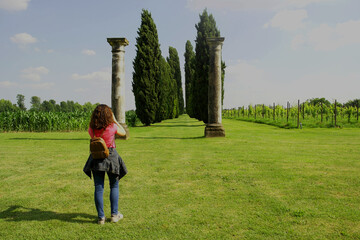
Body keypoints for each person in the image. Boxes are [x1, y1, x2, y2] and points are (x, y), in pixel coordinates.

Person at [83, 104, 128, 225]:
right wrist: (115, 120)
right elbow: (123, 133)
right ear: (108, 115)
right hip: (111, 156)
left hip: (96, 158)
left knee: (98, 187)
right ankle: (114, 215)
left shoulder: (91, 128)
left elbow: (91, 130)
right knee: (114, 185)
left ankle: (101, 218)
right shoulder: (112, 126)